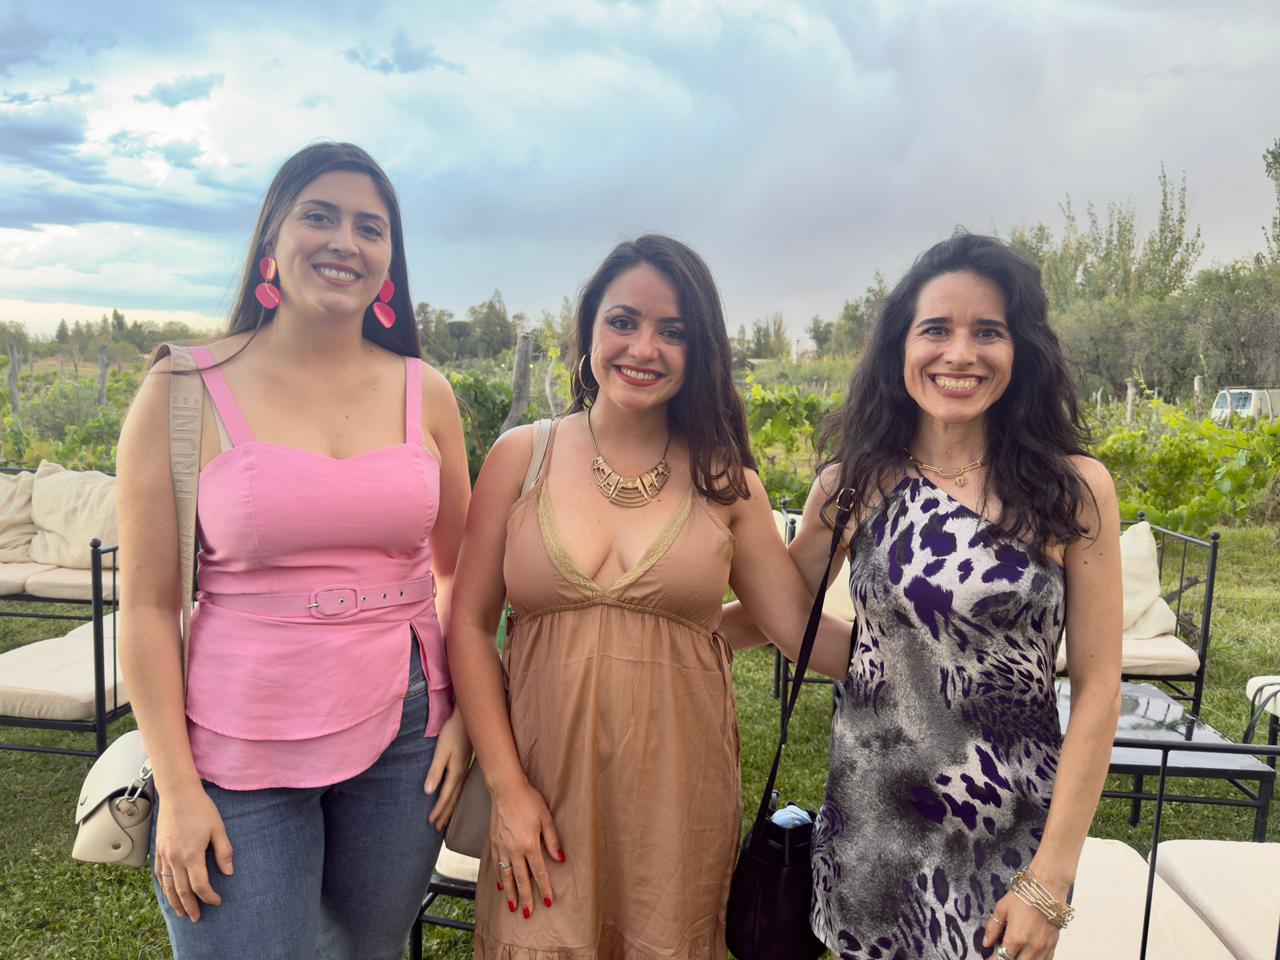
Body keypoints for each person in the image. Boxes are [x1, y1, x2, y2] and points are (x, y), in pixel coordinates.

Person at [117, 142, 473, 960]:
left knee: (368, 950)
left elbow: (459, 573)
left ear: (389, 261)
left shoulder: (427, 392)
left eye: (370, 227)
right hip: (236, 741)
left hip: (408, 734)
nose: (345, 241)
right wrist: (178, 787)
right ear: (271, 240)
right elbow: (148, 609)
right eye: (320, 215)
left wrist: (461, 716)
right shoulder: (182, 391)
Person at [724, 231, 1122, 960]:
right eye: (936, 329)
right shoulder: (853, 484)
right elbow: (784, 613)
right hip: (871, 838)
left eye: (988, 332)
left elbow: (1099, 687)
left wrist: (1051, 875)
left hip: (1007, 842)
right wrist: (654, 630)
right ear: (899, 348)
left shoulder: (1072, 489)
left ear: (1021, 350)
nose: (960, 353)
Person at [447, 234, 831, 958]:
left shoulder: (726, 481)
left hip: (676, 802)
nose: (644, 348)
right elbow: (470, 626)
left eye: (673, 331)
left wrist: (927, 640)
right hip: (541, 792)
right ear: (590, 329)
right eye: (623, 321)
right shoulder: (520, 457)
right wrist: (506, 789)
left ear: (699, 350)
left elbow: (796, 629)